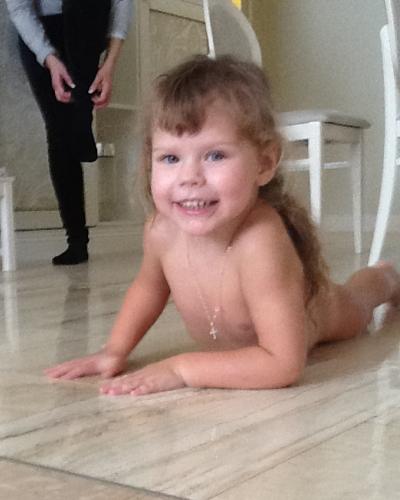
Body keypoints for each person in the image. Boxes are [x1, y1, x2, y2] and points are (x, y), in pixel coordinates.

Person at [45, 55, 400, 395]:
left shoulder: (260, 241)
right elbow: (148, 288)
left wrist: (181, 369)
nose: (189, 177)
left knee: (354, 305)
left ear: (264, 162)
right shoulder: (161, 230)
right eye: (170, 157)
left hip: (320, 314)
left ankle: (386, 277)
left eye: (215, 155)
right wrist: (114, 349)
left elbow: (283, 364)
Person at [5, 0, 133, 265]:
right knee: (58, 131)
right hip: (42, 29)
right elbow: (19, 9)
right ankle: (76, 240)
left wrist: (110, 63)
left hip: (88, 27)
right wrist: (48, 58)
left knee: (67, 128)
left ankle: (81, 120)